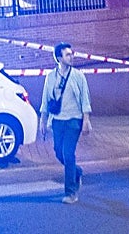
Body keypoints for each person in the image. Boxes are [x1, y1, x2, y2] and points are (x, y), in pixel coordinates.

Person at [38, 42, 92, 204]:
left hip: (74, 121)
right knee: (58, 152)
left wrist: (86, 120)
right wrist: (43, 120)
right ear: (59, 58)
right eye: (68, 55)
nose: (72, 56)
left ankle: (71, 192)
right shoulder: (50, 77)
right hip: (57, 121)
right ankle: (77, 171)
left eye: (72, 53)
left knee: (68, 153)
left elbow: (85, 99)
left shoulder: (78, 76)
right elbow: (46, 100)